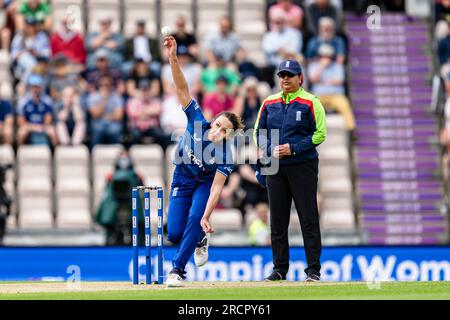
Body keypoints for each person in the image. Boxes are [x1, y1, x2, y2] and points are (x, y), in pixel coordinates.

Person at [162, 36, 245, 287]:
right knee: (174, 232)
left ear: (230, 136)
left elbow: (217, 188)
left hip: (204, 184)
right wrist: (173, 59)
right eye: (218, 125)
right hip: (182, 176)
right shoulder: (197, 120)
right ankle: (198, 239)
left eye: (224, 131)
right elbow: (181, 88)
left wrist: (207, 216)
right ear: (214, 120)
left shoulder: (227, 154)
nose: (217, 132)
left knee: (196, 219)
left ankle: (177, 270)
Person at [254, 59, 327, 282]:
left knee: (308, 217)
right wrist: (270, 149)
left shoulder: (311, 102)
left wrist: (293, 149)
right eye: (282, 75)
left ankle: (313, 269)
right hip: (276, 166)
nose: (285, 79)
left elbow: (320, 134)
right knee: (277, 220)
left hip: (302, 166)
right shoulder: (269, 102)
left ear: (300, 78)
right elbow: (258, 132)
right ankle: (279, 269)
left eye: (290, 75)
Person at [307, 44, 355, 132]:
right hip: (319, 96)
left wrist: (323, 81)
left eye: (328, 56)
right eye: (323, 56)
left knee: (344, 104)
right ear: (319, 56)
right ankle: (308, 132)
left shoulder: (337, 66)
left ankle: (351, 130)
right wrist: (321, 67)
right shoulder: (313, 66)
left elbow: (339, 80)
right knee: (309, 106)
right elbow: (313, 79)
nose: (326, 58)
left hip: (335, 95)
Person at [127, 80, 171, 150]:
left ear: (150, 91)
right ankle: (133, 158)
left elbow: (158, 111)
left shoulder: (155, 101)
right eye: (143, 90)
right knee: (134, 135)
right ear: (139, 91)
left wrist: (142, 111)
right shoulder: (132, 101)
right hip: (137, 127)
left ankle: (164, 156)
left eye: (146, 90)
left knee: (162, 135)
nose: (144, 93)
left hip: (151, 127)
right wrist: (149, 112)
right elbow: (132, 114)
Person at [17, 74, 57, 146]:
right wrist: (32, 127)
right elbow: (21, 120)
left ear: (41, 88)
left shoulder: (47, 101)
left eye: (37, 87)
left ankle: (53, 152)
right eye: (33, 87)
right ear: (29, 88)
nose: (35, 90)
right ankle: (20, 151)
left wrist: (42, 126)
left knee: (52, 131)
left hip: (43, 125)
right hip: (28, 126)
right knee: (21, 132)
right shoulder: (23, 102)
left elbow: (48, 118)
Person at [87, 75, 124, 148]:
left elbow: (118, 116)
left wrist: (104, 115)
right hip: (98, 122)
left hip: (113, 122)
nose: (104, 87)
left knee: (114, 130)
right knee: (98, 129)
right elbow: (95, 115)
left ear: (111, 86)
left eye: (107, 85)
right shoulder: (92, 97)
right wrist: (104, 100)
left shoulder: (117, 97)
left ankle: (116, 154)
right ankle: (93, 154)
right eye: (101, 85)